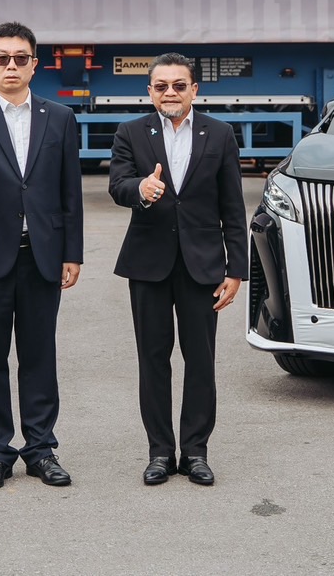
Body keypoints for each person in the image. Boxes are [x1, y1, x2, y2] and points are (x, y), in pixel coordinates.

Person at [0, 22, 84, 490]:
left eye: (20, 58)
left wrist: (72, 252)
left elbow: (70, 190)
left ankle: (41, 449)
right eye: (2, 58)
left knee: (39, 354)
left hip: (41, 255)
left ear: (34, 65)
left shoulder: (60, 118)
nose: (11, 65)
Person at [108, 52, 246, 486]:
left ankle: (196, 452)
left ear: (194, 90)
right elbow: (117, 185)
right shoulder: (131, 132)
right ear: (149, 91)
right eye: (161, 86)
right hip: (148, 264)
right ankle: (160, 453)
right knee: (153, 360)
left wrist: (236, 269)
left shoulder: (219, 134)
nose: (170, 92)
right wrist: (141, 188)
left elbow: (233, 206)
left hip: (203, 265)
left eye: (179, 85)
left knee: (200, 360)